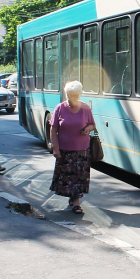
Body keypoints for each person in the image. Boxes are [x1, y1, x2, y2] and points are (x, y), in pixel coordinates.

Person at [49, 81, 95, 214]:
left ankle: (76, 203)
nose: (72, 98)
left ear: (79, 95)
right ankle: (72, 197)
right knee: (69, 178)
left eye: (75, 95)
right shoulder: (60, 108)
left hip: (82, 150)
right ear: (66, 94)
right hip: (65, 150)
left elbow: (92, 124)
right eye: (70, 95)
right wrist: (56, 148)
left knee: (79, 177)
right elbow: (53, 129)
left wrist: (87, 128)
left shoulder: (85, 108)